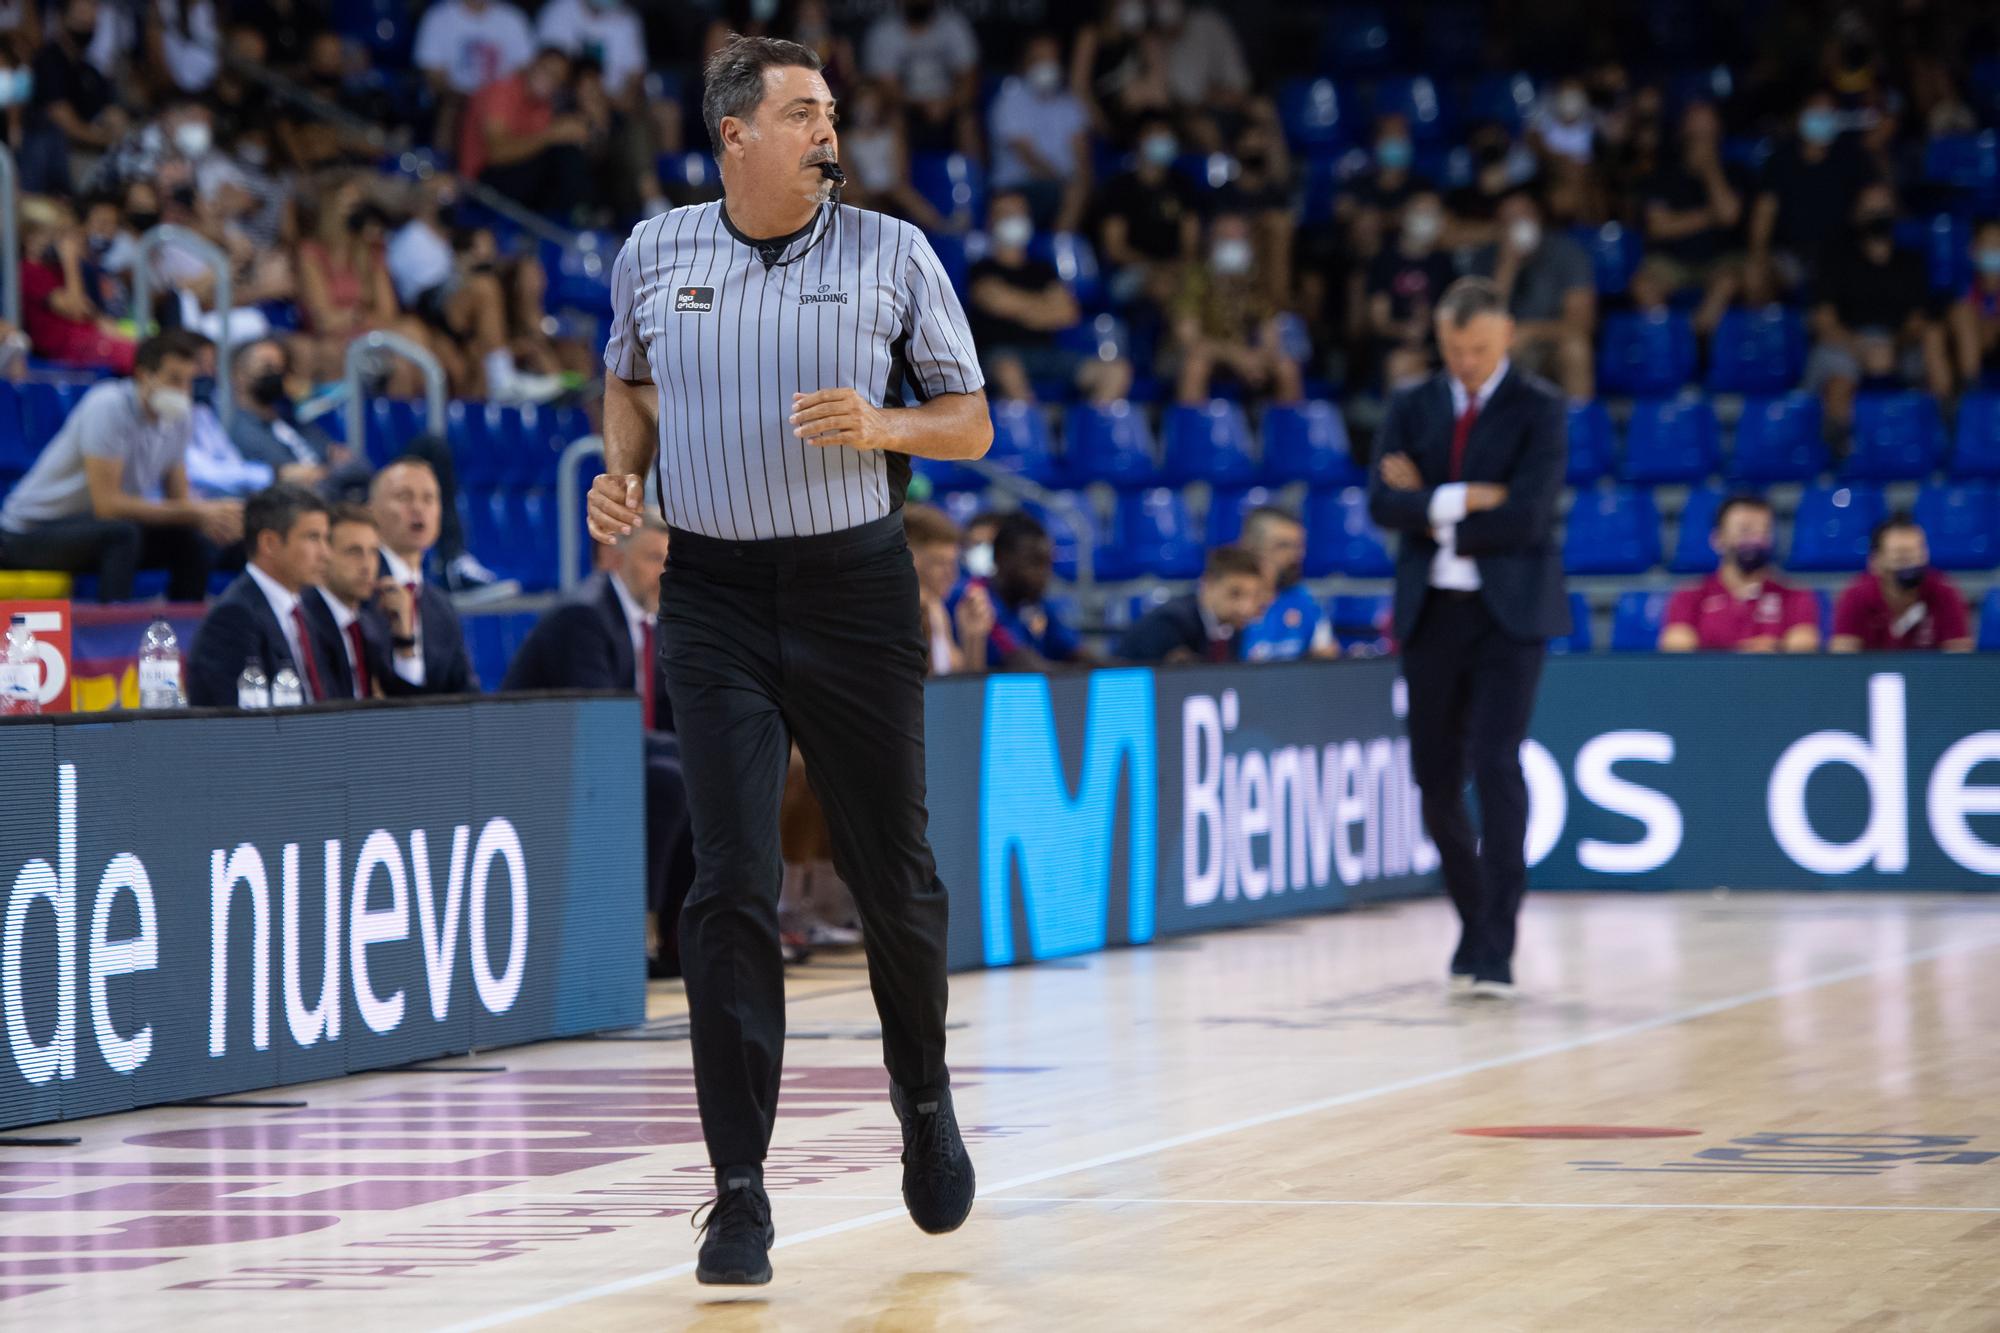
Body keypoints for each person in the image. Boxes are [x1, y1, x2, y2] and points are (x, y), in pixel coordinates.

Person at [590, 33, 988, 1283]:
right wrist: (623, 478)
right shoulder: (654, 252)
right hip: (709, 590)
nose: (829, 130)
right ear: (736, 135)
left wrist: (881, 421)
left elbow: (969, 422)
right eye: (803, 112)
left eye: (831, 110)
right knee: (729, 882)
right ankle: (739, 1191)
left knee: (895, 876)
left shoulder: (892, 253)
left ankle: (921, 1098)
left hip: (854, 588)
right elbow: (629, 385)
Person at [1367, 277, 1570, 998]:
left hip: (1510, 614)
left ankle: (1497, 941)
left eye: (1479, 349)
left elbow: (1526, 517)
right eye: (1454, 349)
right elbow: (1380, 504)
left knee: (1496, 762)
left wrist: (1426, 501)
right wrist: (1463, 498)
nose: (1466, 362)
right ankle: (1474, 916)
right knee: (1434, 777)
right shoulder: (1412, 403)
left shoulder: (1540, 409)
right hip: (1432, 613)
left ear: (1506, 336)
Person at [504, 514, 694, 978]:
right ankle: (638, 931)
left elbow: (669, 712)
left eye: (668, 562)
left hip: (613, 754)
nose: (663, 573)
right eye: (652, 559)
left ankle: (685, 939)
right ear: (613, 557)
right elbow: (600, 726)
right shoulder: (584, 616)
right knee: (672, 779)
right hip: (543, 763)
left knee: (707, 774)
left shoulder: (654, 619)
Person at [0, 332, 239, 601]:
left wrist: (211, 519)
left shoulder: (179, 419)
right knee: (122, 534)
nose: (182, 391)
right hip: (27, 533)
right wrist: (200, 511)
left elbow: (179, 504)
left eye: (188, 382)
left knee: (192, 540)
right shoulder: (108, 405)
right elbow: (108, 506)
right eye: (174, 379)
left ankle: (185, 630)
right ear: (143, 375)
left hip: (92, 530)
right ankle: (111, 633)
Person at [1807, 183, 1952, 436]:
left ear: (1895, 212)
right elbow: (1823, 322)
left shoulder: (1911, 262)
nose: (1878, 216)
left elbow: (1917, 321)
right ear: (1856, 215)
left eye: (1884, 208)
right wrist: (1860, 349)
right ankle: (1841, 454)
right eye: (1870, 209)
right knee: (1839, 381)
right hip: (1848, 343)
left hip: (1898, 344)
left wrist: (1894, 347)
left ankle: (1943, 435)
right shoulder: (1835, 259)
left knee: (1933, 335)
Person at [968, 191, 1131, 405]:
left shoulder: (1042, 268)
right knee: (1008, 370)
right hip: (1001, 355)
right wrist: (1043, 306)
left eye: (1019, 213)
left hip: (1048, 355)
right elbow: (994, 301)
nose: (1014, 219)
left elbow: (1068, 313)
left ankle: (1080, 433)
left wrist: (1017, 307)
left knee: (1117, 371)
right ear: (991, 221)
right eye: (1006, 213)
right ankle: (1033, 435)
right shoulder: (981, 269)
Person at [186, 484, 335, 707]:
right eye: (313, 538)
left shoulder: (308, 610)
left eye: (326, 539)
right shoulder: (233, 617)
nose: (326, 553)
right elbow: (240, 722)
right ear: (269, 543)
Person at [1634, 101, 1747, 338]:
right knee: (1643, 285)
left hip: (1719, 260)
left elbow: (1728, 216)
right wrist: (1709, 215)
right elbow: (1659, 227)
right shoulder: (1663, 174)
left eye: (1708, 126)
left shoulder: (1734, 172)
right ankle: (1668, 344)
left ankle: (1697, 338)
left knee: (1728, 280)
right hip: (1672, 261)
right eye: (1696, 126)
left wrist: (1710, 171)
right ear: (1683, 131)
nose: (1702, 134)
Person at [1468, 191, 1596, 400]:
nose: (1519, 224)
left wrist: (1531, 331)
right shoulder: (1483, 258)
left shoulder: (1567, 253)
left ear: (1539, 218)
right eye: (1510, 219)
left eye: (1525, 215)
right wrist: (1508, 266)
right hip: (1504, 346)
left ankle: (1578, 427)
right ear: (1499, 228)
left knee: (1576, 348)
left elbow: (1582, 324)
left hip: (1550, 342)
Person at [1748, 89, 1873, 299]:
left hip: (1839, 254)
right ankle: (1769, 330)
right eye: (1815, 112)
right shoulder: (1780, 160)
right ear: (1800, 117)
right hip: (1790, 255)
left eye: (1828, 114)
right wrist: (1759, 258)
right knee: (1754, 276)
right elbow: (1764, 212)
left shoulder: (1851, 159)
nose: (1821, 119)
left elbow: (1867, 205)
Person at [369, 456, 479, 694]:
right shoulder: (362, 590)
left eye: (429, 499)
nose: (418, 508)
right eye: (403, 497)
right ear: (372, 511)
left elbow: (467, 695)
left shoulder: (441, 605)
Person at [1169, 212, 1303, 406]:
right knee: (1196, 365)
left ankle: (1288, 432)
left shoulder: (1256, 280)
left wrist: (1258, 358)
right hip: (1209, 354)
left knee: (1287, 367)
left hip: (1245, 355)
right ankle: (1194, 431)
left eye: (1240, 239)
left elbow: (1270, 334)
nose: (1234, 245)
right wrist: (1236, 356)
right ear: (1212, 242)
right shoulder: (1194, 279)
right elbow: (1189, 339)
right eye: (1226, 239)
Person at [1659, 495, 1821, 653]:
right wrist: (1751, 652)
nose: (1756, 539)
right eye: (1745, 530)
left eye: (1765, 531)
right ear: (1718, 539)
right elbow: (1676, 649)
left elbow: (1803, 649)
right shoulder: (1689, 597)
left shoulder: (1796, 596)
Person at [460, 46, 595, 222]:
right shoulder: (503, 90)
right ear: (532, 64)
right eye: (546, 70)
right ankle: (580, 215)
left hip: (518, 178)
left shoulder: (544, 106)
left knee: (567, 152)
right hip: (480, 182)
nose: (549, 79)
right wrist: (553, 134)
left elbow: (538, 147)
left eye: (557, 78)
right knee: (560, 152)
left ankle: (580, 217)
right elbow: (496, 153)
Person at [951, 510, 1090, 669]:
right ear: (1000, 558)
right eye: (1033, 563)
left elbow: (1078, 652)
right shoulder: (976, 597)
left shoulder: (1036, 603)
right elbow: (1023, 664)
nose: (1043, 574)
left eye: (1047, 564)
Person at [986, 33, 1091, 233]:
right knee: (1074, 193)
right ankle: (1057, 246)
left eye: (1051, 59)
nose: (1046, 66)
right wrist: (1062, 181)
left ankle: (1061, 249)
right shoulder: (1011, 99)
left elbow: (1082, 153)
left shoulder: (1069, 104)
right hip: (1019, 187)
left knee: (1085, 191)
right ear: (1025, 63)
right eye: (1039, 59)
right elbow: (1026, 155)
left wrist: (1084, 181)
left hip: (1062, 187)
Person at [1095, 113, 1200, 309]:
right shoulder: (1120, 187)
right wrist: (1155, 267)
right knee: (1164, 287)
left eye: (1167, 135)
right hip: (1131, 271)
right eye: (1157, 134)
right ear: (1140, 141)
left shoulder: (1183, 185)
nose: (1164, 140)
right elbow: (1115, 248)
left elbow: (1190, 242)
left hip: (1175, 267)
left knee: (1200, 282)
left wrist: (1177, 265)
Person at [1830, 514, 1972, 652]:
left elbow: (1959, 661)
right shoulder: (1855, 596)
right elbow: (1843, 661)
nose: (1909, 566)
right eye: (1900, 556)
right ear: (1875, 562)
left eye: (1915, 555)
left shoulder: (1944, 593)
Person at [304, 502, 397, 701]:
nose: (367, 565)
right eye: (354, 552)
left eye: (373, 552)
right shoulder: (303, 623)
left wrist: (406, 641)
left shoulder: (371, 624)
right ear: (323, 555)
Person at [863, 0, 980, 155]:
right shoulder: (885, 31)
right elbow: (886, 89)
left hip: (949, 104)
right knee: (894, 119)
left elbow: (969, 79)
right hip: (907, 106)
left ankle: (972, 177)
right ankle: (903, 178)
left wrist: (949, 103)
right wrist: (922, 105)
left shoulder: (953, 25)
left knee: (967, 121)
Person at [1364, 190, 1455, 389]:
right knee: (1403, 364)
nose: (1426, 218)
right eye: (1420, 211)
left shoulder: (1444, 263)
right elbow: (1379, 322)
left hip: (1436, 348)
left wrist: (1430, 322)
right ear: (1404, 215)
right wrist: (1405, 330)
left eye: (1433, 213)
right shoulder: (1384, 261)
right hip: (1392, 349)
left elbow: (1452, 313)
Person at [1116, 544, 1266, 662]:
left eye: (1253, 596)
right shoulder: (1170, 624)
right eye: (1235, 594)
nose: (1246, 607)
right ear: (1207, 585)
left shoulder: (1236, 630)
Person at [1236, 505, 1335, 661]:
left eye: (1298, 546)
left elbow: (1327, 654)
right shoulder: (1232, 603)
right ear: (1251, 547)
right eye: (1283, 546)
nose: (1296, 556)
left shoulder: (1306, 600)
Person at [905, 501, 992, 674]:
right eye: (940, 563)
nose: (952, 575)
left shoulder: (936, 608)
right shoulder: (905, 614)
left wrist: (973, 638)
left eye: (952, 564)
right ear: (911, 561)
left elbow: (958, 688)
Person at [1950, 218, 2000, 388]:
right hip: (1971, 346)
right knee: (1962, 313)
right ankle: (1971, 389)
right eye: (1989, 245)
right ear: (1974, 250)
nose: (1995, 252)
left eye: (1999, 246)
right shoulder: (1963, 286)